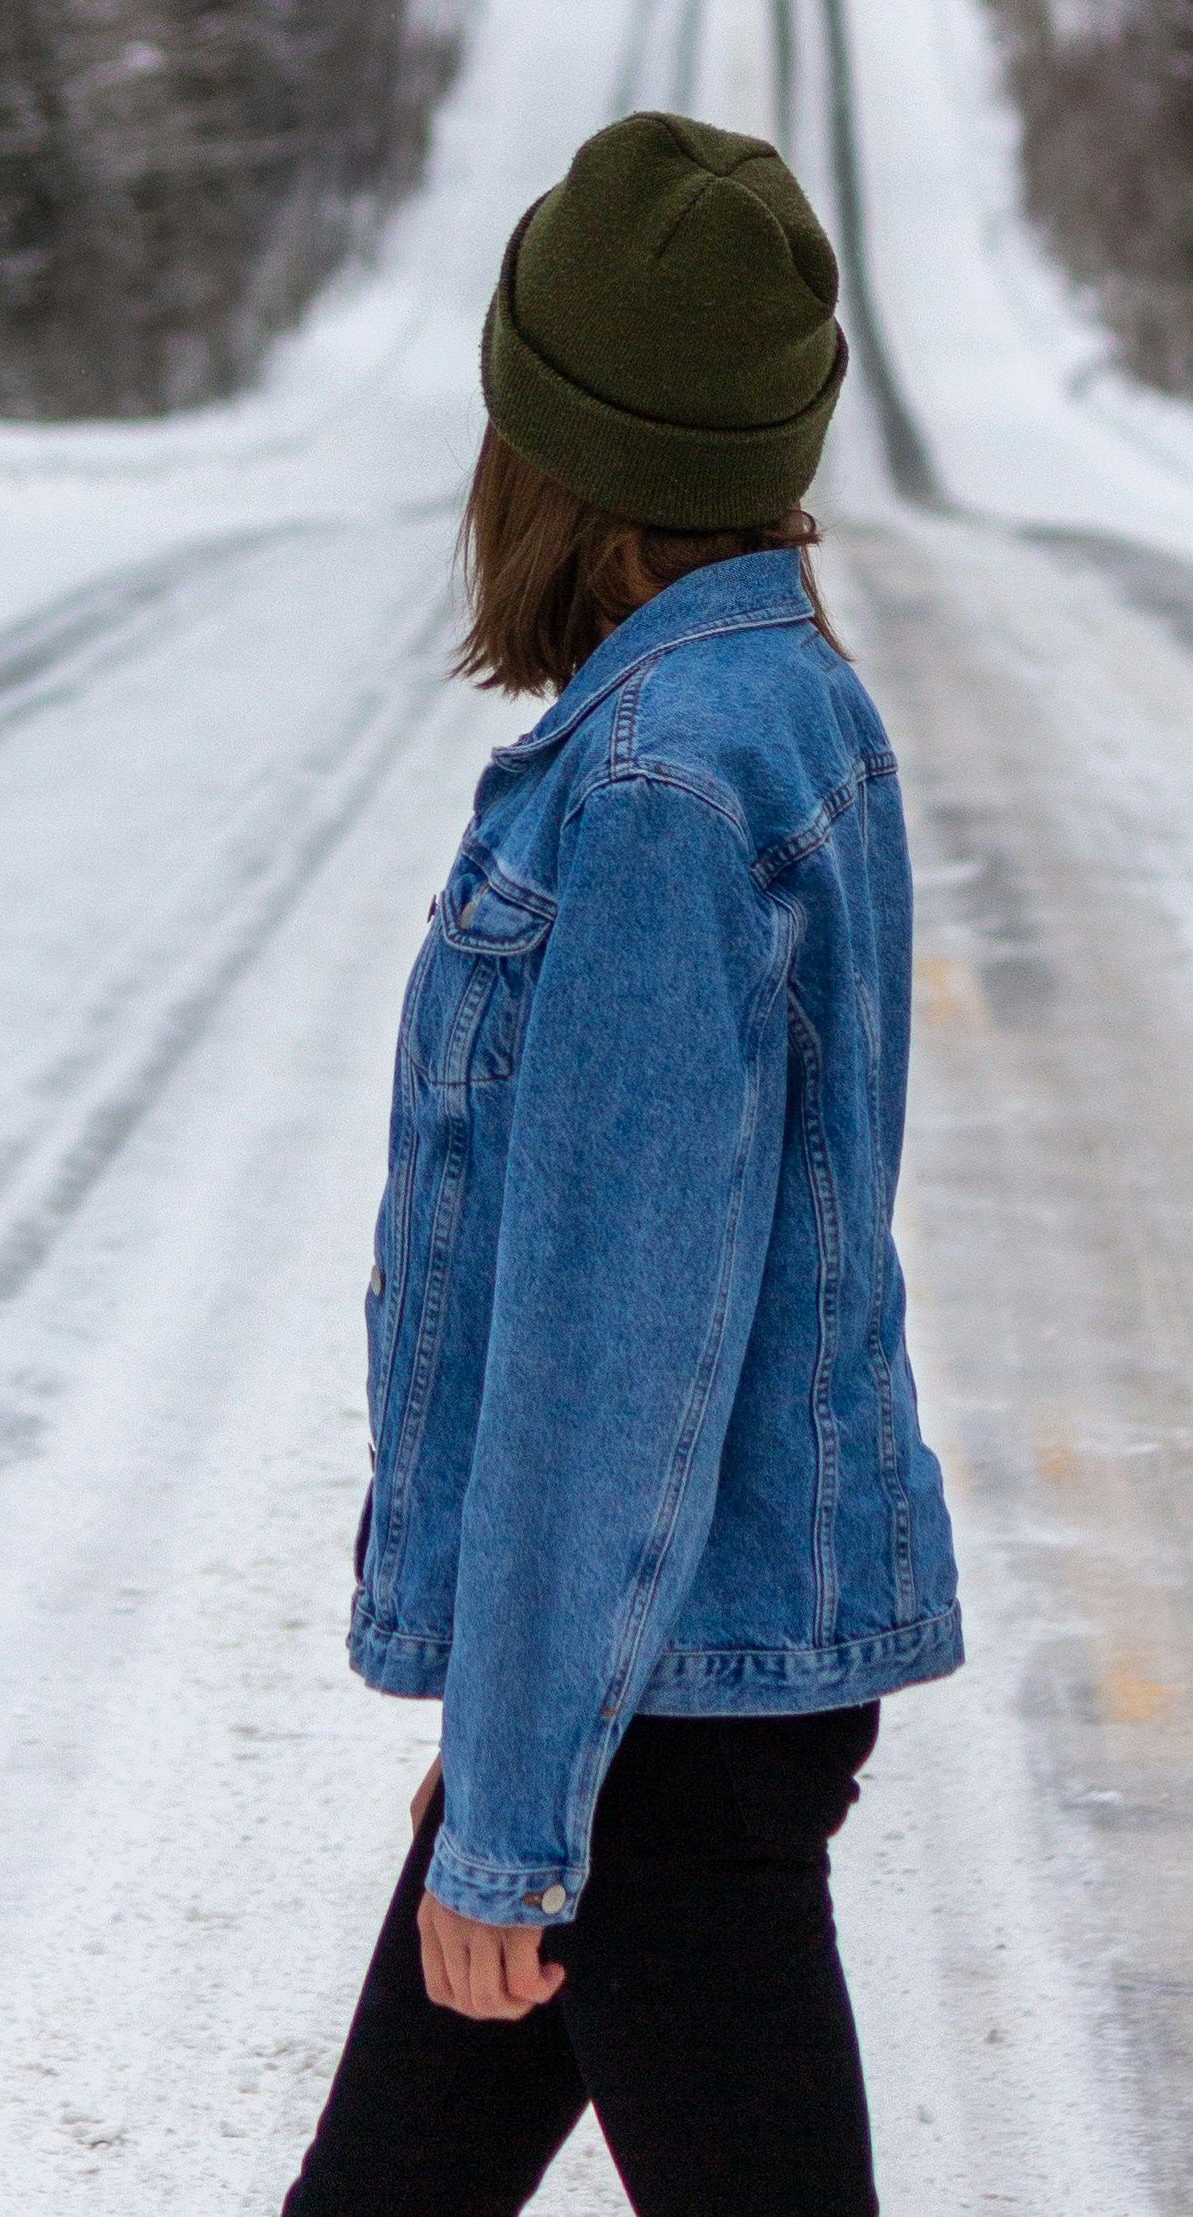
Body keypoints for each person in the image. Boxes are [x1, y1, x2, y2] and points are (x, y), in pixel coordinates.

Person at [285, 110, 962, 2217]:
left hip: (663, 1716)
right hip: (653, 1700)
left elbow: (609, 1341)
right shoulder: (775, 703)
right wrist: (519, 1734)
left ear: (545, 439)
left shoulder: (661, 790)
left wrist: (520, 1795)